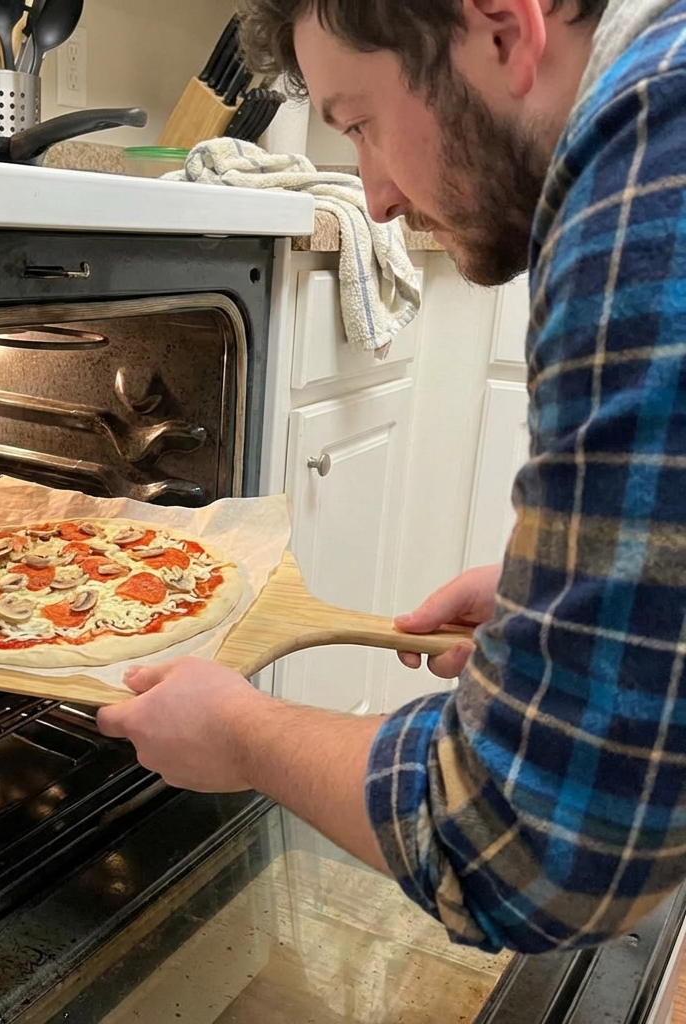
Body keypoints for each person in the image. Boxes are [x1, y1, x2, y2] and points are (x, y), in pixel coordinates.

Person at [97, 0, 686, 953]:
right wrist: (575, 597)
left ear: (503, 28)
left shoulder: (653, 164)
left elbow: (526, 847)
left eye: (361, 123)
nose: (373, 200)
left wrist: (243, 732)